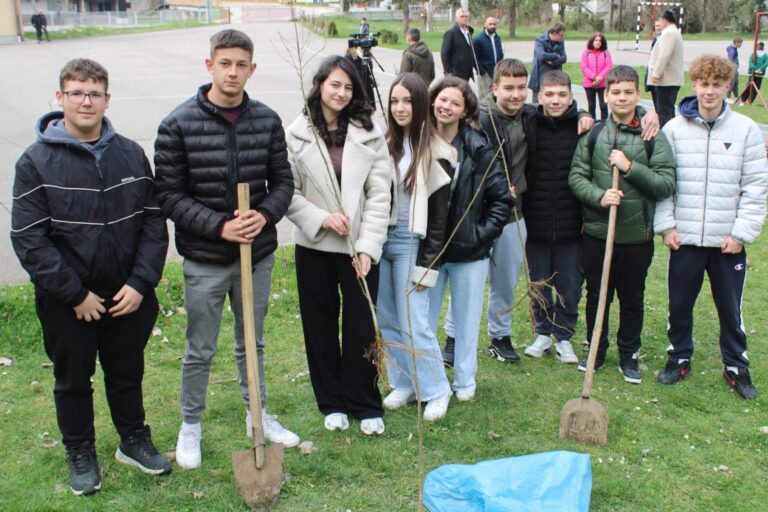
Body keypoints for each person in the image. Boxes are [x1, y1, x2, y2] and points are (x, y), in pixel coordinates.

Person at [11, 58, 171, 496]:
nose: (86, 100)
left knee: (126, 372)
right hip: (69, 302)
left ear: (107, 99)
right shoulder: (36, 162)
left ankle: (133, 440)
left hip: (126, 295)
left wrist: (141, 283)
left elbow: (154, 222)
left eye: (94, 93)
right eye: (77, 92)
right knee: (73, 380)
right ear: (60, 98)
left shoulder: (130, 153)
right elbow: (29, 238)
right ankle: (80, 451)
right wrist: (74, 294)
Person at [154, 29, 299, 470]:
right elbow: (169, 196)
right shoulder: (177, 124)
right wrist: (219, 226)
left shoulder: (267, 120)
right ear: (209, 66)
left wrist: (265, 215)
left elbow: (284, 182)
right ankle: (190, 424)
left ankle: (258, 414)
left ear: (252, 69)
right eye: (225, 63)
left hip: (256, 256)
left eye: (241, 64)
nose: (232, 72)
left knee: (251, 342)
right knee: (201, 346)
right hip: (206, 259)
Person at [285, 56, 391, 435]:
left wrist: (367, 247)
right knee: (320, 325)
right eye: (335, 85)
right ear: (319, 86)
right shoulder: (296, 134)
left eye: (348, 87)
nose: (341, 93)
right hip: (315, 246)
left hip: (359, 249)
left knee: (362, 326)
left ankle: (364, 401)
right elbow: (287, 193)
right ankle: (331, 401)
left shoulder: (369, 133)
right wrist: (321, 218)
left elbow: (380, 195)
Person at [655, 55, 768, 400]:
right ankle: (679, 356)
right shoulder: (673, 130)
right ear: (694, 84)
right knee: (679, 304)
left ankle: (735, 364)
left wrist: (740, 234)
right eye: (703, 84)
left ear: (726, 87)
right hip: (685, 238)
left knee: (730, 307)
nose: (709, 91)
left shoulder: (746, 130)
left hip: (726, 242)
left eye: (717, 85)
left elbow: (756, 185)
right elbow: (664, 182)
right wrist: (667, 226)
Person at [569, 65, 675, 384]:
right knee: (597, 294)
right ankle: (596, 350)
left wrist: (630, 168)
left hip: (635, 236)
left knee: (632, 298)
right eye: (615, 92)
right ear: (606, 94)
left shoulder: (652, 135)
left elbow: (665, 184)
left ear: (638, 94)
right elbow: (576, 176)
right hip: (599, 234)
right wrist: (599, 197)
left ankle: (628, 354)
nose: (622, 98)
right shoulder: (595, 133)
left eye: (629, 92)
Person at [427, 76, 513, 401]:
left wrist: (480, 235)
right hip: (429, 252)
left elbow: (502, 199)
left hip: (468, 252)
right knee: (423, 319)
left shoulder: (478, 147)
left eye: (455, 102)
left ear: (465, 110)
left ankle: (465, 382)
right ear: (433, 100)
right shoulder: (419, 142)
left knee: (465, 320)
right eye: (442, 99)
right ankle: (430, 379)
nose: (446, 106)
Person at [377, 73, 455, 421]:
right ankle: (405, 383)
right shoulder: (383, 145)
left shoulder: (437, 151)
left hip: (412, 243)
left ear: (421, 104)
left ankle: (438, 389)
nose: (400, 107)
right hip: (381, 242)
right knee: (388, 318)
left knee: (415, 322)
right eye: (394, 100)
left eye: (408, 100)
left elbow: (440, 219)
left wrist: (429, 263)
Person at [648, 10, 684, 127]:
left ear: (664, 21)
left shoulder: (668, 33)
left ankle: (665, 139)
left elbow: (664, 55)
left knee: (663, 114)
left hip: (666, 81)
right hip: (672, 80)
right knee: (668, 111)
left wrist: (656, 73)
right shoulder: (675, 32)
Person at [529, 22, 567, 104]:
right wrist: (556, 55)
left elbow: (564, 58)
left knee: (553, 102)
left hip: (555, 76)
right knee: (536, 103)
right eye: (561, 35)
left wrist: (552, 62)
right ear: (554, 33)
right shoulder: (540, 40)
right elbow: (541, 56)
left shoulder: (561, 42)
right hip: (539, 76)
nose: (562, 37)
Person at [580, 32, 612, 120]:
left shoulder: (606, 53)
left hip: (603, 84)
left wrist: (600, 77)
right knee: (591, 106)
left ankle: (604, 124)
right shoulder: (586, 53)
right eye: (596, 40)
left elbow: (608, 66)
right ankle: (592, 125)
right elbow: (584, 66)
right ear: (592, 41)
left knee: (603, 105)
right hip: (589, 84)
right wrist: (594, 77)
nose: (598, 42)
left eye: (600, 41)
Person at [440, 8, 475, 81]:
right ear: (456, 18)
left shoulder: (468, 32)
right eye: (462, 16)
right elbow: (444, 53)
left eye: (466, 16)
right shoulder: (451, 33)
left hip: (466, 74)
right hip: (455, 74)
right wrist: (448, 72)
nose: (464, 18)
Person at [473, 16, 504, 96]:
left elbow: (500, 54)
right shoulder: (478, 39)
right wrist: (482, 72)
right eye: (490, 24)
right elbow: (474, 58)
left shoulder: (497, 38)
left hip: (496, 72)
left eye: (494, 24)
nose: (492, 26)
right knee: (484, 97)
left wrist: (500, 68)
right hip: (485, 74)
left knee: (495, 96)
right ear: (485, 25)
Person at [345, 46, 376, 110]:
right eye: (362, 47)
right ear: (356, 46)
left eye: (369, 48)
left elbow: (368, 73)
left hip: (367, 93)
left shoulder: (367, 57)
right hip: (356, 95)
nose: (366, 49)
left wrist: (372, 80)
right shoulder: (350, 58)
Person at [726, 37, 743, 101]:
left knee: (736, 83)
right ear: (736, 43)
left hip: (735, 69)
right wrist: (732, 69)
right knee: (731, 83)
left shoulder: (734, 48)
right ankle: (728, 98)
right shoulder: (732, 50)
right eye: (740, 43)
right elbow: (730, 60)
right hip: (732, 69)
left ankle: (736, 98)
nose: (741, 45)